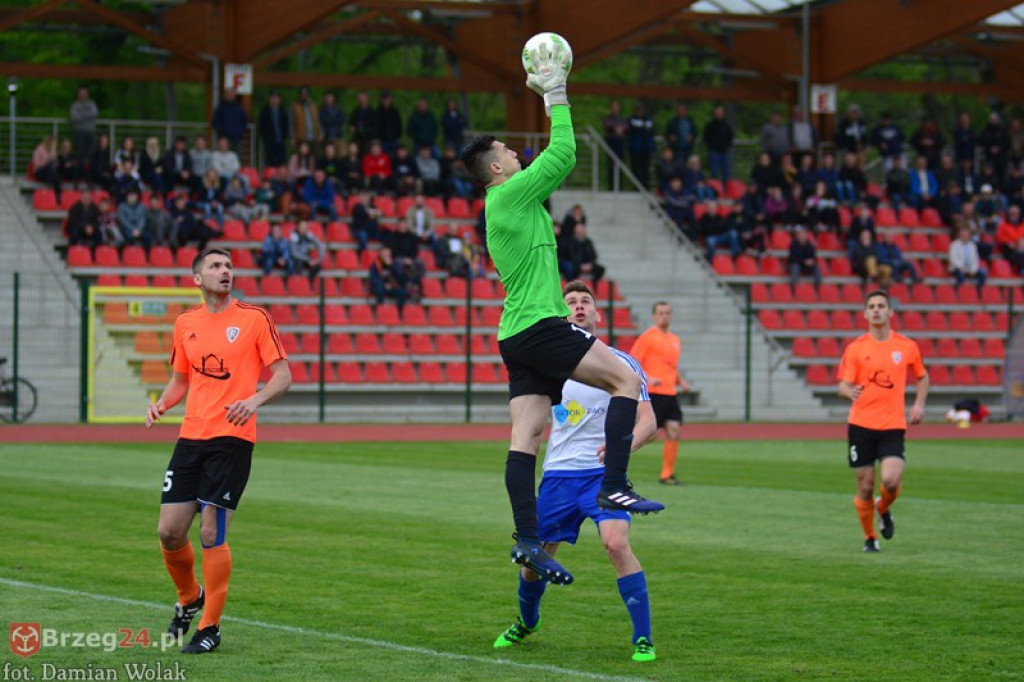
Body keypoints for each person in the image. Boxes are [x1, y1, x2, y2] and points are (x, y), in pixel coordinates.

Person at [459, 41, 662, 587]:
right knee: (624, 380)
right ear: (497, 166)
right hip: (541, 326)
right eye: (508, 150)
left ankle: (527, 541)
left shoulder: (502, 204)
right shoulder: (510, 194)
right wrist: (556, 93)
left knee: (526, 435)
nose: (516, 154)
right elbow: (565, 154)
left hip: (514, 334)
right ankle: (613, 483)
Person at [494, 280, 658, 662]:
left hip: (600, 477)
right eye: (571, 302)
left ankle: (643, 638)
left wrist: (622, 447)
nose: (580, 306)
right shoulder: (546, 364)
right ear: (561, 314)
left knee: (616, 544)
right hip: (558, 476)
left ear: (599, 314)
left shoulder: (620, 363)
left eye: (587, 301)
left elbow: (648, 421)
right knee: (535, 564)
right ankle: (527, 621)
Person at [146, 248, 292, 654]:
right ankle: (190, 596)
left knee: (210, 529)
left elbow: (284, 376)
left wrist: (255, 401)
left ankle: (209, 627)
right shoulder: (185, 323)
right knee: (169, 531)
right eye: (215, 266)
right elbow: (180, 380)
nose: (224, 271)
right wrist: (162, 403)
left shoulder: (254, 318)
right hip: (191, 437)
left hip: (232, 438)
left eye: (228, 266)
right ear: (197, 279)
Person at [837, 289, 928, 553]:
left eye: (881, 305)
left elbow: (922, 376)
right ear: (865, 314)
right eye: (872, 306)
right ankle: (869, 537)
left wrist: (919, 403)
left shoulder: (906, 346)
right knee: (865, 485)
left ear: (891, 312)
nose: (876, 309)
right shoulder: (856, 349)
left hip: (892, 425)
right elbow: (842, 384)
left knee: (890, 480)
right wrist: (848, 391)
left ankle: (883, 507)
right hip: (861, 425)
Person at [629, 301, 690, 486]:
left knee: (674, 430)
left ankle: (667, 474)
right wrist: (649, 377)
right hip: (653, 393)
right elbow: (633, 361)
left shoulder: (675, 340)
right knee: (648, 434)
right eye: (661, 313)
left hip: (670, 393)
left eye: (668, 312)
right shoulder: (647, 337)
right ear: (654, 316)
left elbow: (672, 366)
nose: (665, 316)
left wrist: (681, 381)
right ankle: (617, 453)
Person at [949, 225, 987, 293]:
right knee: (960, 274)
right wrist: (961, 267)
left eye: (966, 234)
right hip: (957, 267)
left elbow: (975, 259)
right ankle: (958, 291)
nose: (965, 236)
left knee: (983, 272)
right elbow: (953, 258)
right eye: (963, 234)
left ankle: (979, 289)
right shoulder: (954, 244)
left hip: (969, 268)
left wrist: (973, 269)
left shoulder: (972, 245)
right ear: (960, 235)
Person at [258, 90, 290, 168]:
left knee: (282, 160)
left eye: (276, 98)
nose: (274, 100)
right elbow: (262, 126)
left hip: (281, 140)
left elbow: (286, 125)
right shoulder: (265, 111)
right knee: (271, 161)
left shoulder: (283, 111)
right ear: (269, 99)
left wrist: (285, 136)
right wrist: (265, 137)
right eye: (273, 98)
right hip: (270, 141)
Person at [703, 105, 734, 184]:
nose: (719, 114)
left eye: (720, 112)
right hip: (714, 152)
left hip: (725, 153)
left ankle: (725, 190)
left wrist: (728, 147)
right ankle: (715, 190)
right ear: (714, 114)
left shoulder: (727, 126)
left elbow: (730, 137)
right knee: (714, 172)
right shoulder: (710, 125)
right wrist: (711, 146)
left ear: (723, 114)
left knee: (726, 173)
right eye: (717, 112)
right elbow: (705, 138)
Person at [69, 85, 98, 161]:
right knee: (79, 153)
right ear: (78, 95)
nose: (83, 96)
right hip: (79, 132)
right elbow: (74, 117)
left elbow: (94, 114)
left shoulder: (91, 104)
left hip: (90, 132)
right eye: (81, 94)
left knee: (91, 152)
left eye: (84, 94)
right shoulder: (75, 105)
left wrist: (81, 115)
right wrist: (87, 116)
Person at [291, 85, 322, 152]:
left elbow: (318, 121)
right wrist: (292, 137)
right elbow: (291, 123)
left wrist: (320, 133)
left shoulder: (313, 106)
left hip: (314, 137)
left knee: (315, 156)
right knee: (302, 156)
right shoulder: (295, 106)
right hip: (301, 137)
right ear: (300, 95)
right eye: (302, 94)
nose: (304, 96)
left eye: (306, 94)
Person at [31, 136, 61, 202]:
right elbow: (36, 163)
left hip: (49, 172)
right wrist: (46, 162)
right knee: (50, 170)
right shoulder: (39, 149)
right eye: (52, 144)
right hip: (40, 171)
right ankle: (53, 197)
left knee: (57, 177)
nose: (53, 146)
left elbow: (56, 164)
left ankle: (57, 198)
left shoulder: (52, 151)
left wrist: (53, 151)